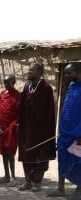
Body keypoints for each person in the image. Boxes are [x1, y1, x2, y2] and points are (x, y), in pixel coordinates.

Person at [18, 63, 56, 192]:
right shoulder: (27, 86)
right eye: (28, 70)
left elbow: (50, 111)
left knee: (40, 154)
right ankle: (28, 181)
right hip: (26, 128)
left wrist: (48, 129)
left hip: (41, 129)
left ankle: (37, 182)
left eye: (31, 70)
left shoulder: (46, 88)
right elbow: (22, 106)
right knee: (26, 153)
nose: (28, 72)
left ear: (39, 72)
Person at [47, 62, 81, 199]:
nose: (66, 76)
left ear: (78, 72)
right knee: (62, 158)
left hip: (78, 132)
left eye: (69, 73)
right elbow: (68, 107)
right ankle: (60, 188)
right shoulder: (72, 86)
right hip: (65, 131)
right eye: (65, 73)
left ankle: (79, 191)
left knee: (79, 160)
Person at [0, 75, 20, 187]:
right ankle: (6, 176)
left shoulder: (18, 96)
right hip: (1, 127)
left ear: (14, 82)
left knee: (10, 152)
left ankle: (13, 177)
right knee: (3, 152)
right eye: (4, 83)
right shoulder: (2, 94)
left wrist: (13, 125)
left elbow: (19, 113)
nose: (6, 85)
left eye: (8, 82)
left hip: (11, 128)